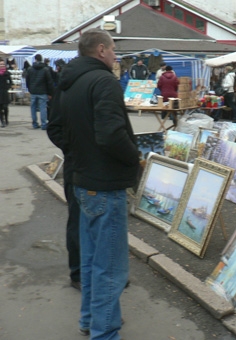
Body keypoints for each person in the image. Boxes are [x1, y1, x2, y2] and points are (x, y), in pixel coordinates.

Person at [48, 28, 139, 338]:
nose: (115, 56)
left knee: (91, 262)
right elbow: (112, 134)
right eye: (113, 50)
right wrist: (134, 159)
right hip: (104, 182)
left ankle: (90, 320)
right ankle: (104, 332)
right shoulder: (103, 81)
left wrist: (76, 152)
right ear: (101, 50)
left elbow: (55, 128)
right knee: (110, 269)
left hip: (82, 178)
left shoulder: (69, 81)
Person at [26, 54, 54, 130]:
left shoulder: (30, 69)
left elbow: (27, 80)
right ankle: (44, 124)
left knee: (33, 108)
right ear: (41, 59)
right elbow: (49, 82)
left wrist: (30, 89)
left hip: (33, 91)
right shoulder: (45, 69)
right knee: (42, 108)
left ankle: (35, 124)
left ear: (35, 59)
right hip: (43, 91)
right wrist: (50, 93)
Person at [0, 59, 12, 127]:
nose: (2, 65)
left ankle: (6, 119)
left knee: (5, 107)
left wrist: (7, 87)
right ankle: (2, 121)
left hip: (4, 92)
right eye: (0, 64)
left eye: (3, 64)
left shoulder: (7, 73)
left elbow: (10, 82)